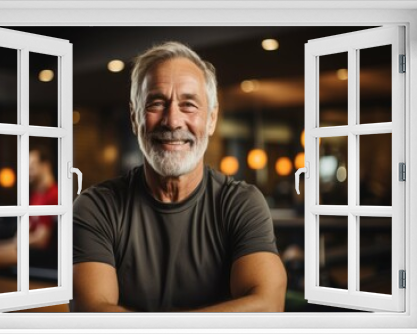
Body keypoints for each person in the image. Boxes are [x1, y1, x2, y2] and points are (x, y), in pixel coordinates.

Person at [72, 41, 287, 312]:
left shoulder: (241, 203)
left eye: (188, 104)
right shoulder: (96, 207)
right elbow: (93, 313)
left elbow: (267, 306)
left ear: (211, 120)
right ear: (135, 117)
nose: (172, 121)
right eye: (156, 103)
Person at [0, 148, 58, 269]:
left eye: (32, 166)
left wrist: (15, 243)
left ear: (45, 166)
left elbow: (41, 240)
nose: (28, 171)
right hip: (27, 245)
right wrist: (14, 242)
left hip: (41, 252)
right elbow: (27, 227)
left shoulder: (53, 195)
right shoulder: (36, 195)